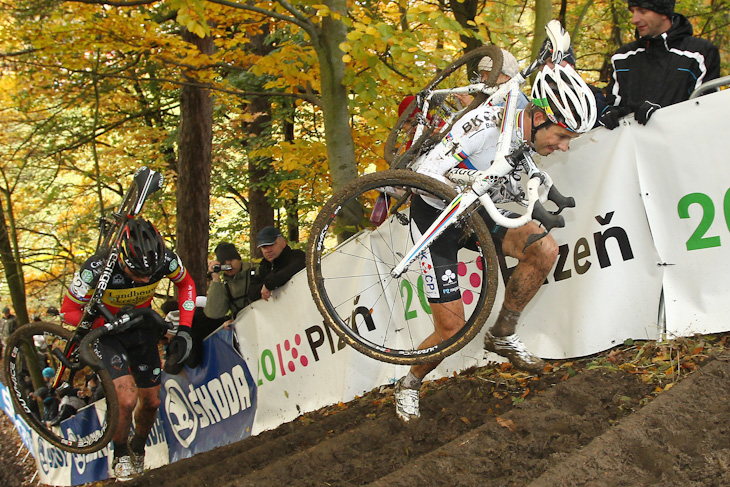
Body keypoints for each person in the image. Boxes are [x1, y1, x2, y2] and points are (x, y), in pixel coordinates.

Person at [393, 64, 597, 422]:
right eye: (562, 136)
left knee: (544, 249)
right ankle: (409, 382)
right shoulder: (483, 127)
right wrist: (478, 183)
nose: (563, 148)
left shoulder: (521, 133)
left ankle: (503, 334)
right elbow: (423, 178)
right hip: (435, 218)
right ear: (539, 118)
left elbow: (513, 178)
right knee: (451, 330)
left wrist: (536, 199)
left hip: (473, 212)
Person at [60, 218, 196, 481]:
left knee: (152, 401)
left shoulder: (166, 259)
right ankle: (120, 452)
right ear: (122, 259)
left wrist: (186, 329)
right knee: (125, 399)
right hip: (106, 332)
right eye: (137, 273)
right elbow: (68, 312)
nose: (146, 278)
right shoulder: (97, 268)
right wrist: (105, 322)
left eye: (150, 273)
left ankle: (138, 447)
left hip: (140, 326)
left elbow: (186, 284)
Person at [599, 0, 720, 129]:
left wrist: (661, 115)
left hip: (682, 145)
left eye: (642, 11)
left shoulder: (699, 54)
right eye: (633, 11)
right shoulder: (622, 57)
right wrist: (611, 114)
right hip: (631, 146)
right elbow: (613, 104)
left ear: (663, 12)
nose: (635, 19)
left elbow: (707, 111)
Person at [248, 226, 305, 303]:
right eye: (264, 247)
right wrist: (265, 287)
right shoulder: (263, 267)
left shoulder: (297, 256)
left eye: (272, 245)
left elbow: (293, 268)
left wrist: (269, 284)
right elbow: (252, 292)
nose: (268, 250)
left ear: (283, 243)